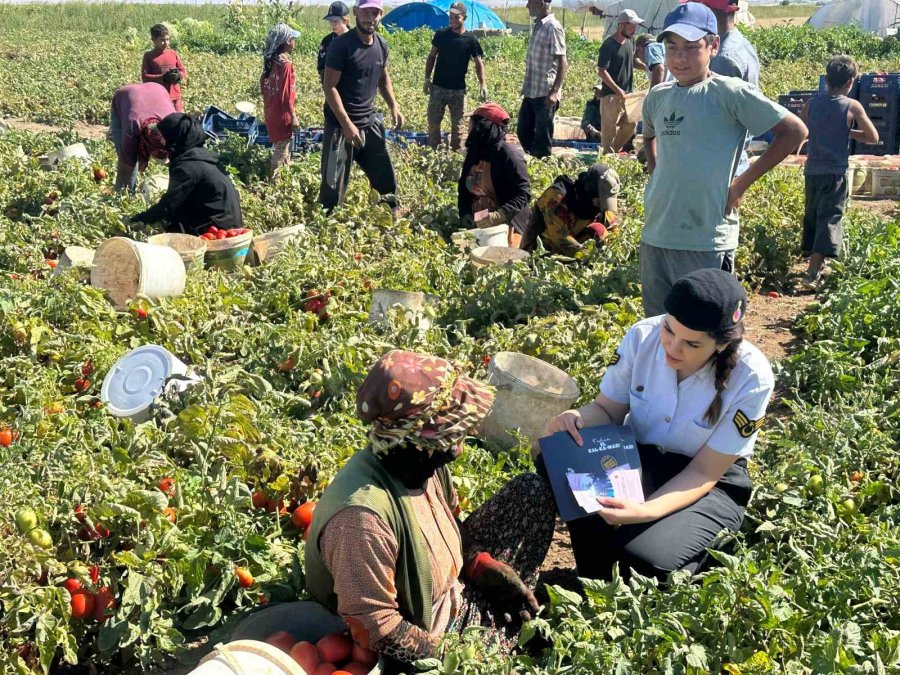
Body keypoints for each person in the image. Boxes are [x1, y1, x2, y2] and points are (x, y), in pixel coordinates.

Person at [305, 351, 556, 671]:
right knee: (512, 654)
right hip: (425, 628)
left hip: (450, 586)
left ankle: (497, 617)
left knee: (529, 492)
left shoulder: (422, 464)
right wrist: (460, 658)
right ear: (416, 441)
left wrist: (480, 563)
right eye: (451, 436)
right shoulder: (361, 521)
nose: (460, 447)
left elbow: (451, 520)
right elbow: (376, 628)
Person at [541, 269, 774, 581]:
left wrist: (645, 512)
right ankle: (593, 572)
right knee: (557, 457)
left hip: (708, 481)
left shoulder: (751, 376)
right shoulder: (642, 336)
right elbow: (607, 409)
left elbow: (705, 472)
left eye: (692, 344)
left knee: (643, 560)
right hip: (641, 459)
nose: (673, 348)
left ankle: (698, 556)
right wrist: (579, 418)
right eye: (669, 330)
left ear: (720, 344)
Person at [639, 3, 807, 317]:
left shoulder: (729, 93)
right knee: (660, 327)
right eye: (672, 47)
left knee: (707, 329)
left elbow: (794, 132)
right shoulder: (658, 96)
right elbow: (649, 134)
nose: (679, 57)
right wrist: (655, 170)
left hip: (705, 237)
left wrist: (740, 184)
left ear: (713, 45)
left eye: (691, 47)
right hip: (657, 232)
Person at [800, 56, 878, 289]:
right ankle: (812, 273)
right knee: (830, 218)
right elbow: (873, 137)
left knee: (813, 214)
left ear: (827, 79)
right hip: (836, 173)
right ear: (850, 83)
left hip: (812, 171)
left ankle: (814, 259)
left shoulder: (811, 105)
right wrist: (848, 131)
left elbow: (804, 132)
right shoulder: (851, 106)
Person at [320, 0, 403, 212]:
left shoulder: (381, 45)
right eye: (366, 12)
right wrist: (347, 125)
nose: (370, 18)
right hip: (341, 126)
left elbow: (383, 76)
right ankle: (325, 227)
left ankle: (390, 219)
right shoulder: (341, 46)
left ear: (381, 14)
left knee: (386, 182)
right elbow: (330, 87)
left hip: (368, 122)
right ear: (356, 12)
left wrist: (393, 105)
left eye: (375, 12)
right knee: (332, 190)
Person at [130, 113, 243, 235]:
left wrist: (136, 220)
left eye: (163, 136)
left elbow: (168, 205)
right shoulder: (203, 157)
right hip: (230, 224)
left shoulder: (186, 167)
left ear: (174, 139)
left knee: (173, 218)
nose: (161, 140)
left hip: (217, 231)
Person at [699, 0, 761, 176]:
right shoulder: (740, 42)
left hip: (719, 163)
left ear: (708, 11)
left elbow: (712, 123)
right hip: (735, 157)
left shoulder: (721, 59)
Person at [457, 104, 531, 244]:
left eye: (472, 123)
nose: (469, 127)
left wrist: (499, 215)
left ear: (483, 125)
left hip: (507, 221)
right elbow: (463, 186)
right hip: (479, 220)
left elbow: (524, 194)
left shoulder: (509, 155)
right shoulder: (475, 151)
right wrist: (465, 211)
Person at [424, 2, 487, 151]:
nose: (452, 19)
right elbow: (431, 56)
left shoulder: (471, 40)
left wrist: (483, 84)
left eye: (456, 17)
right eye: (450, 16)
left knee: (458, 130)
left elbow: (479, 63)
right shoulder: (440, 35)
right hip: (438, 88)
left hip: (458, 91)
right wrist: (427, 78)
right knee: (433, 125)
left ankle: (454, 158)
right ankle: (435, 155)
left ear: (464, 17)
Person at [519, 163, 620, 256]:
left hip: (577, 247)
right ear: (590, 192)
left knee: (599, 230)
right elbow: (562, 240)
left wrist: (614, 252)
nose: (600, 207)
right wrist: (590, 258)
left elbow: (613, 229)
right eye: (598, 202)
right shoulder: (557, 197)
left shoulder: (598, 203)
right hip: (544, 252)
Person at [518, 0, 567, 159]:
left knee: (542, 138)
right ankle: (532, 162)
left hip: (545, 93)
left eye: (529, 2)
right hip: (532, 90)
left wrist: (554, 92)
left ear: (539, 2)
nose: (527, 6)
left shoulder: (553, 27)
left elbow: (563, 62)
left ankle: (542, 167)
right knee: (523, 131)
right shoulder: (539, 25)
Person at [109, 83, 175, 193]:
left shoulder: (174, 125)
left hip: (157, 89)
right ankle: (126, 193)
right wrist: (122, 195)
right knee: (128, 156)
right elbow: (126, 164)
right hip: (125, 96)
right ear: (146, 143)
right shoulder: (132, 126)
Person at [597, 10, 644, 155]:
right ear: (622, 25)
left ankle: (611, 152)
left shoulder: (630, 41)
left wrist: (647, 67)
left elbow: (632, 61)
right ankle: (607, 156)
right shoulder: (609, 45)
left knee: (631, 125)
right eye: (632, 25)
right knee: (609, 132)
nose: (634, 29)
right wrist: (618, 90)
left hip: (627, 95)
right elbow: (602, 71)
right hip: (610, 96)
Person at [261, 23, 301, 177]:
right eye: (292, 38)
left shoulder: (272, 60)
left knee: (281, 147)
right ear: (285, 42)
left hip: (271, 110)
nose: (294, 41)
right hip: (282, 113)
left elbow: (263, 85)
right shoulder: (286, 64)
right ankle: (274, 182)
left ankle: (283, 177)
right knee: (281, 150)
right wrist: (293, 117)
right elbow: (285, 96)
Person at [142, 24, 187, 113]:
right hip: (158, 97)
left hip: (175, 97)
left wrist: (178, 76)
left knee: (178, 122)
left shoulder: (173, 53)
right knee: (162, 122)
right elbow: (145, 77)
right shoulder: (148, 56)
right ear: (153, 40)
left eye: (167, 39)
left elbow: (183, 70)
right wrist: (163, 78)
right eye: (162, 40)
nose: (166, 43)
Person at [317, 2, 350, 84]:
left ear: (345, 20)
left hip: (350, 88)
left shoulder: (354, 39)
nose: (332, 24)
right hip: (331, 87)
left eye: (336, 21)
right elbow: (321, 65)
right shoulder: (327, 40)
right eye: (330, 21)